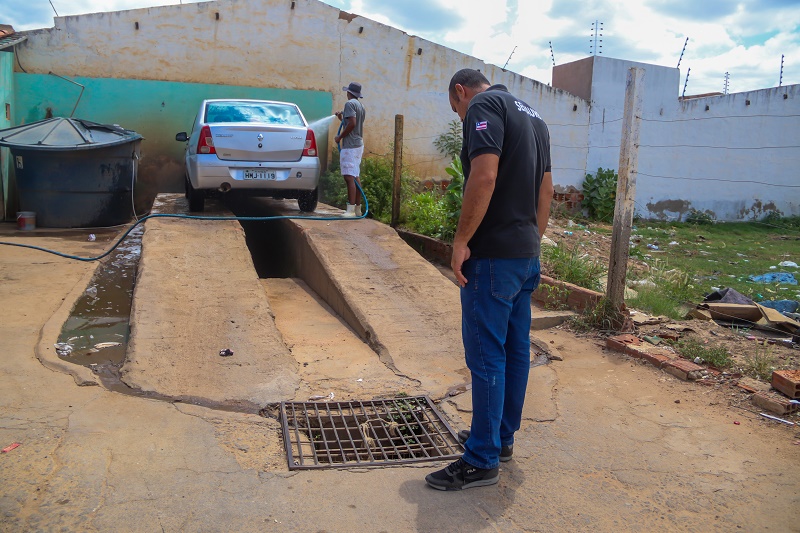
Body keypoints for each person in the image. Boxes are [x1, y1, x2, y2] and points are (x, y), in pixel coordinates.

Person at [425, 69, 554, 491]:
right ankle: (499, 439)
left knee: (486, 357)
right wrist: (530, 242)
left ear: (460, 92)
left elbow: (484, 175)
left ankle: (481, 459)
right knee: (515, 352)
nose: (461, 117)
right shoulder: (533, 116)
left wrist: (462, 240)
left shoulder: (484, 105)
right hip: (524, 255)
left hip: (494, 256)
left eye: (456, 109)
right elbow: (546, 191)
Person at [334, 82, 367, 217]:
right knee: (355, 175)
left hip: (351, 145)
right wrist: (341, 118)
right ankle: (357, 209)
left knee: (349, 177)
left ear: (349, 92)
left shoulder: (349, 104)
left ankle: (350, 210)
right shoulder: (360, 106)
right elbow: (352, 123)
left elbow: (352, 124)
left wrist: (339, 137)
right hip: (358, 144)